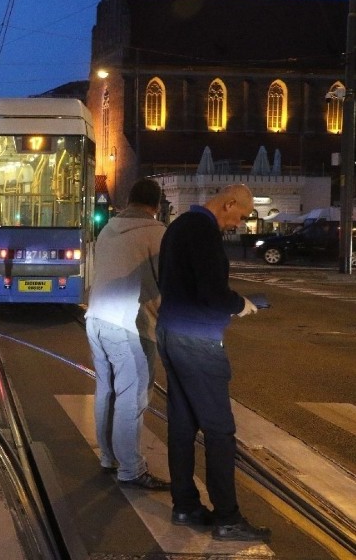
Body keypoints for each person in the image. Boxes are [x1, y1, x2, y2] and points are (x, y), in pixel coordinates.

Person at [156, 184, 270, 542]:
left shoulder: (178, 226)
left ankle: (185, 505)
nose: (238, 223)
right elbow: (211, 292)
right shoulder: (203, 232)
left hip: (171, 332)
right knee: (220, 431)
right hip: (197, 340)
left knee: (183, 423)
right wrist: (241, 305)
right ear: (228, 203)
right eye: (240, 215)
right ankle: (227, 518)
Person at [85, 178, 169, 491]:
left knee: (106, 390)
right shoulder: (158, 233)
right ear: (156, 205)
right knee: (131, 399)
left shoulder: (107, 229)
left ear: (130, 200)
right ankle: (131, 469)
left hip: (96, 319)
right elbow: (168, 282)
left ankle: (109, 457)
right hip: (130, 324)